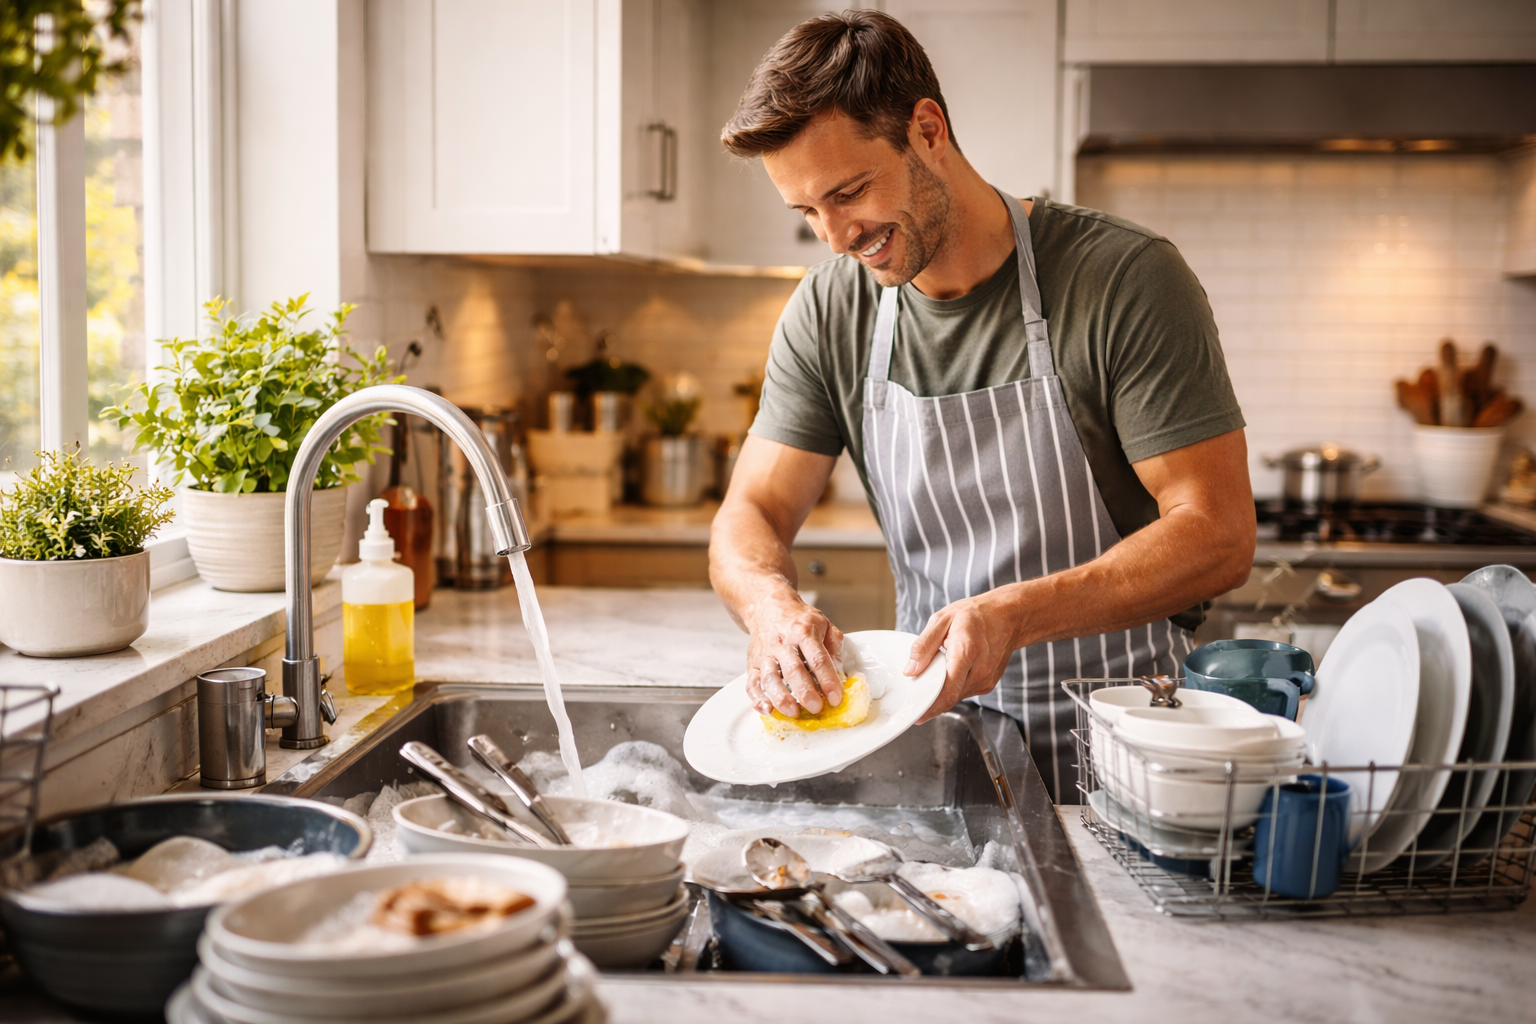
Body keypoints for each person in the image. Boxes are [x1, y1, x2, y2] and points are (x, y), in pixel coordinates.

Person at [708, 10, 1256, 801]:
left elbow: (1219, 535)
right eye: (808, 213)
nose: (834, 238)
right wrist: (772, 610)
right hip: (938, 746)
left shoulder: (1124, 279)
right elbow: (750, 510)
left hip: (1127, 753)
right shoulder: (832, 309)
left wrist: (1017, 615)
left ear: (927, 130)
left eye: (849, 192)